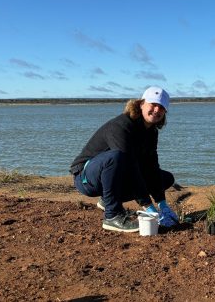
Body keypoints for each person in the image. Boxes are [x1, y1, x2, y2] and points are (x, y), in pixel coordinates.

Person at [69, 86, 180, 232]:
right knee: (116, 157)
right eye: (153, 104)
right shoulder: (121, 125)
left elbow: (151, 167)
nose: (157, 110)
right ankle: (112, 216)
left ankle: (108, 200)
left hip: (113, 177)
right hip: (86, 178)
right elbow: (129, 166)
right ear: (141, 104)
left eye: (162, 107)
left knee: (164, 178)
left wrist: (162, 204)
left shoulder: (151, 131)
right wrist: (149, 207)